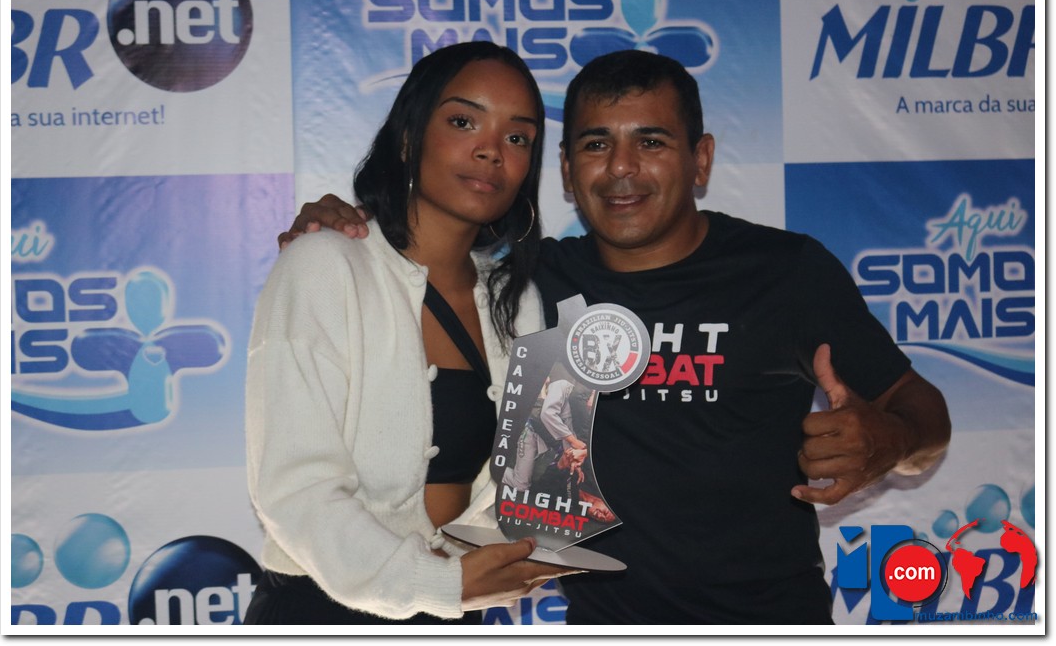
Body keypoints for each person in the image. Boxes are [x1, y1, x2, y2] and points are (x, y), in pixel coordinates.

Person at [279, 49, 950, 624]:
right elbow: (412, 262)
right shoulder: (526, 287)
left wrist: (892, 440)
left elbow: (924, 415)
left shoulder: (785, 271)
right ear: (567, 170)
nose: (621, 167)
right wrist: (338, 231)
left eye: (651, 142)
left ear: (700, 159)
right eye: (596, 144)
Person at [244, 41, 581, 625]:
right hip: (325, 611)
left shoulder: (520, 301)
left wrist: (523, 549)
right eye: (463, 121)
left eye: (517, 137)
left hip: (460, 608)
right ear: (407, 136)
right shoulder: (323, 265)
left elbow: (540, 478)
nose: (491, 150)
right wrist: (432, 584)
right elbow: (294, 489)